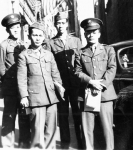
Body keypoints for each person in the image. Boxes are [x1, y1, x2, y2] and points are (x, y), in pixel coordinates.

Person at [17, 22, 63, 149]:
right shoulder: (24, 56)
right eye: (34, 35)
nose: (37, 38)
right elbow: (21, 78)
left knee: (51, 130)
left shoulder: (49, 54)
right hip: (35, 98)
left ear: (44, 37)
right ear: (29, 36)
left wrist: (60, 88)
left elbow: (55, 74)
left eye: (40, 35)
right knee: (37, 130)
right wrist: (24, 96)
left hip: (51, 97)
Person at [75, 18, 117, 150]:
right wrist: (91, 81)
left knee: (107, 128)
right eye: (88, 32)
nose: (91, 35)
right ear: (85, 34)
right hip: (87, 94)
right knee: (87, 130)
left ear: (99, 34)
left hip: (105, 94)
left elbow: (112, 68)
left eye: (94, 32)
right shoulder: (80, 52)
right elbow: (77, 71)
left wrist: (102, 84)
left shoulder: (108, 50)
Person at [48, 11, 83, 149]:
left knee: (77, 113)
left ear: (67, 24)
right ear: (55, 25)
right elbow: (51, 64)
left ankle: (81, 143)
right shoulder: (51, 43)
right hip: (60, 84)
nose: (60, 26)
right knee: (62, 116)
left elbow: (80, 61)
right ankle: (65, 144)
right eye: (58, 23)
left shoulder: (76, 41)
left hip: (75, 83)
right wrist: (56, 83)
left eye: (63, 23)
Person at [0, 13, 30, 148]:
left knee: (24, 117)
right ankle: (8, 145)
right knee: (9, 117)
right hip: (10, 88)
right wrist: (9, 82)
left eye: (17, 27)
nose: (16, 30)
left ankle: (24, 144)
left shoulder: (24, 45)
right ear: (8, 30)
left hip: (23, 88)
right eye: (13, 28)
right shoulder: (2, 46)